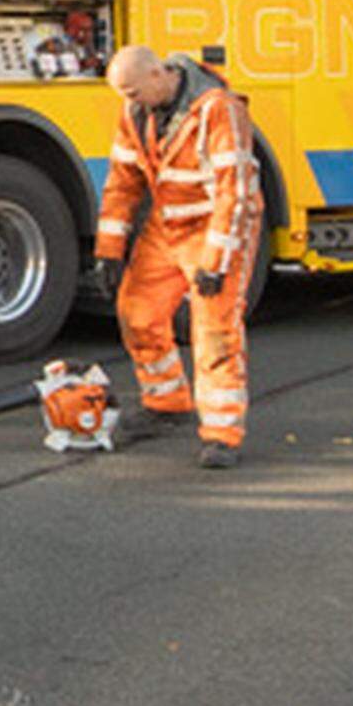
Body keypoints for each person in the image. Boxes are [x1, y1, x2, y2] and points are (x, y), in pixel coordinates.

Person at [97, 43, 262, 469]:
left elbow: (236, 192)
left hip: (214, 228)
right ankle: (166, 402)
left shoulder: (218, 110)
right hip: (167, 226)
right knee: (137, 311)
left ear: (157, 75)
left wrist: (217, 261)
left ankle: (222, 433)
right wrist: (109, 251)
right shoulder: (138, 113)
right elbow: (122, 183)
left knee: (214, 328)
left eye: (132, 92)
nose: (127, 102)